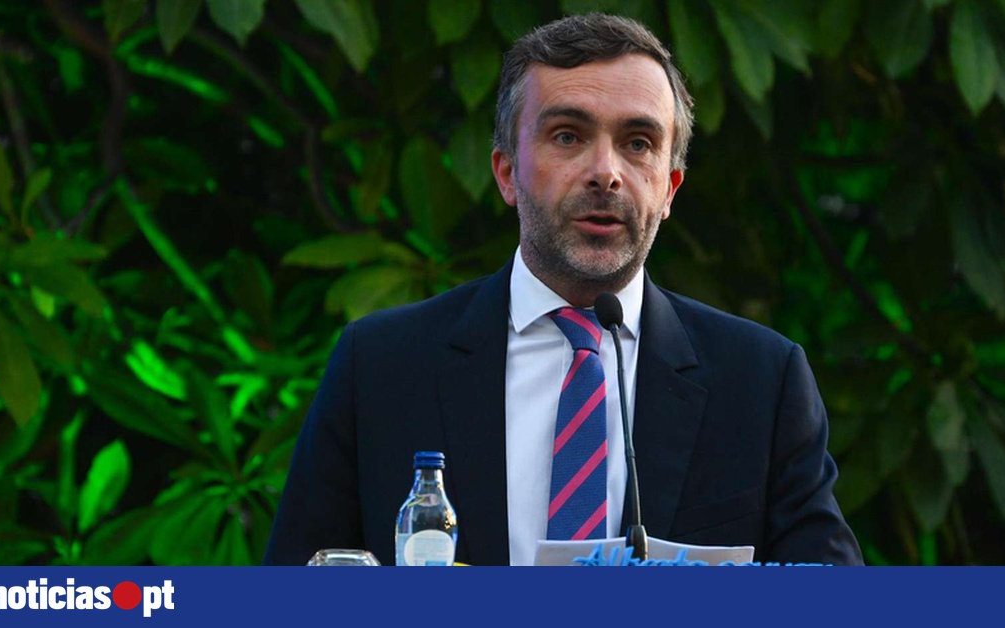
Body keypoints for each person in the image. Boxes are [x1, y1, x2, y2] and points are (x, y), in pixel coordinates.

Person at [263, 13, 863, 566]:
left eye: (638, 143)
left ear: (670, 187)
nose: (606, 173)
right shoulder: (381, 366)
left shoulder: (760, 380)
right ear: (506, 172)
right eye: (568, 136)